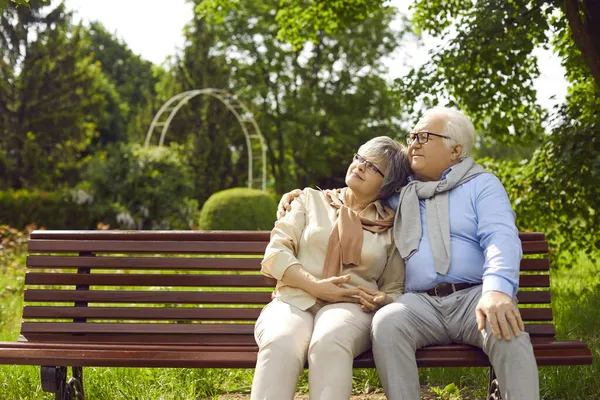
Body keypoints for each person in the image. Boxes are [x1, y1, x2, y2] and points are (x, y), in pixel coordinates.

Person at [278, 107, 540, 400]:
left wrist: (498, 291)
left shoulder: (482, 185)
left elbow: (500, 237)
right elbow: (355, 191)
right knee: (387, 324)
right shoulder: (401, 193)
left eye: (425, 136)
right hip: (419, 303)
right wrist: (298, 195)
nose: (413, 142)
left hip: (475, 296)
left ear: (455, 150)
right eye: (412, 135)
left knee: (506, 328)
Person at [251, 136, 411, 400]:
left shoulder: (390, 227)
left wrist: (385, 300)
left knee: (328, 340)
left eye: (372, 167)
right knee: (281, 340)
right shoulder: (308, 200)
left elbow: (394, 286)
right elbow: (276, 254)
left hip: (351, 306)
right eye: (359, 158)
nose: (359, 166)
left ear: (388, 183)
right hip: (294, 299)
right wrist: (314, 285)